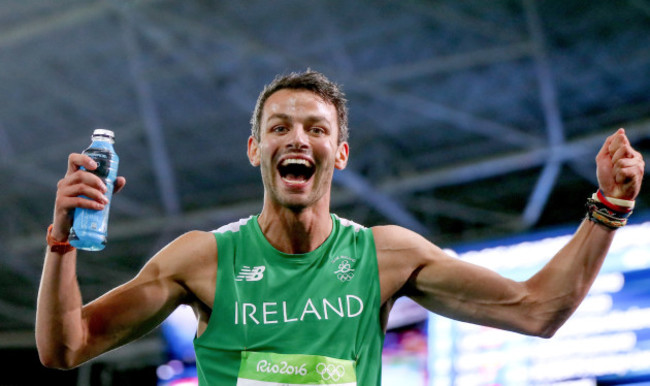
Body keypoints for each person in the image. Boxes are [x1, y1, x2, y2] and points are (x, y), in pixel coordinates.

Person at [36, 70, 645, 385]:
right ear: (254, 149)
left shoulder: (386, 256)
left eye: (316, 129)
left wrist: (609, 209)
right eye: (279, 128)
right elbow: (65, 348)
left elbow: (537, 310)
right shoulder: (201, 259)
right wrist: (63, 241)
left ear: (340, 152)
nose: (298, 138)